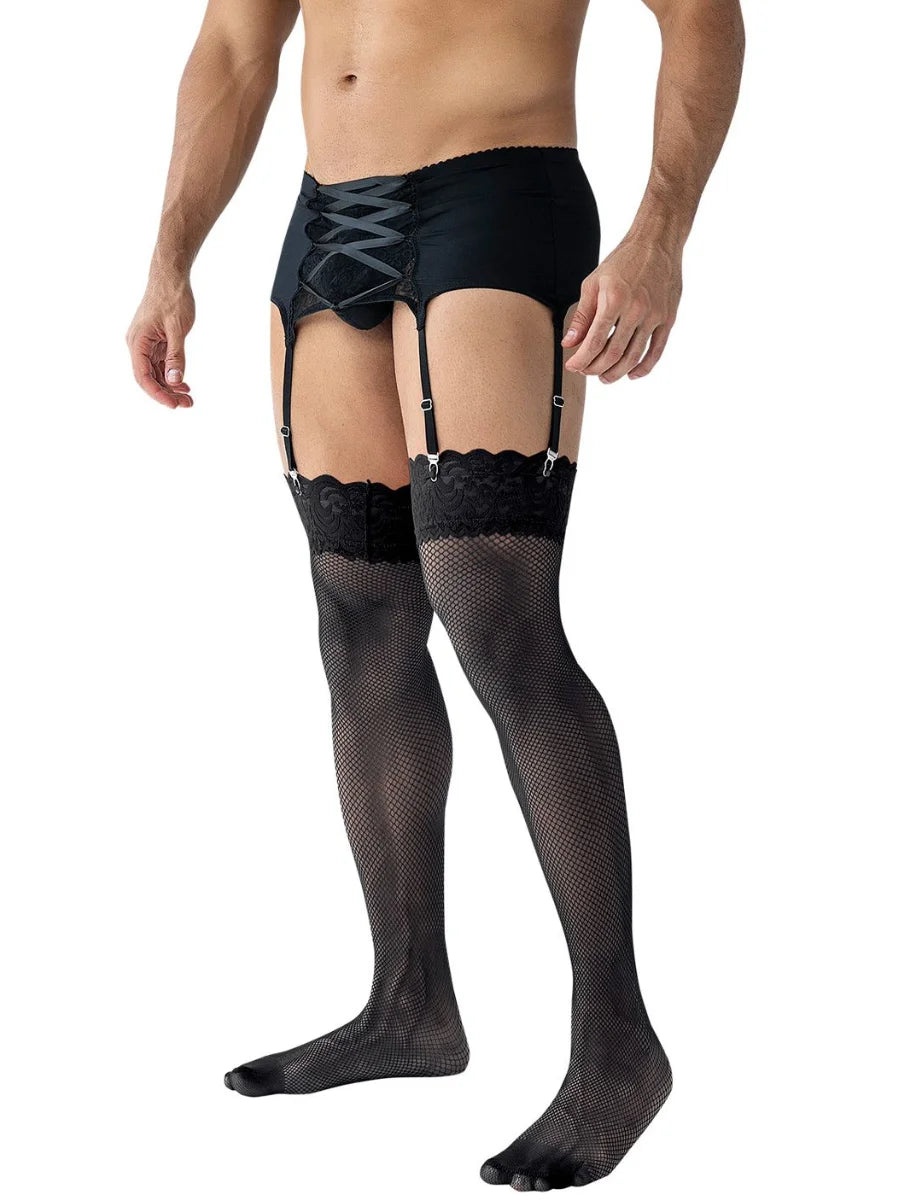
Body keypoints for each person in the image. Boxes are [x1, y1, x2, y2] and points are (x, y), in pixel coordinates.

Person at [126, 0, 743, 1189]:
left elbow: (704, 18)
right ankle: (409, 1002)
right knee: (358, 619)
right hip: (324, 220)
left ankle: (618, 1045)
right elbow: (237, 47)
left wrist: (660, 234)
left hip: (496, 198)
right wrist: (169, 258)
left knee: (498, 615)